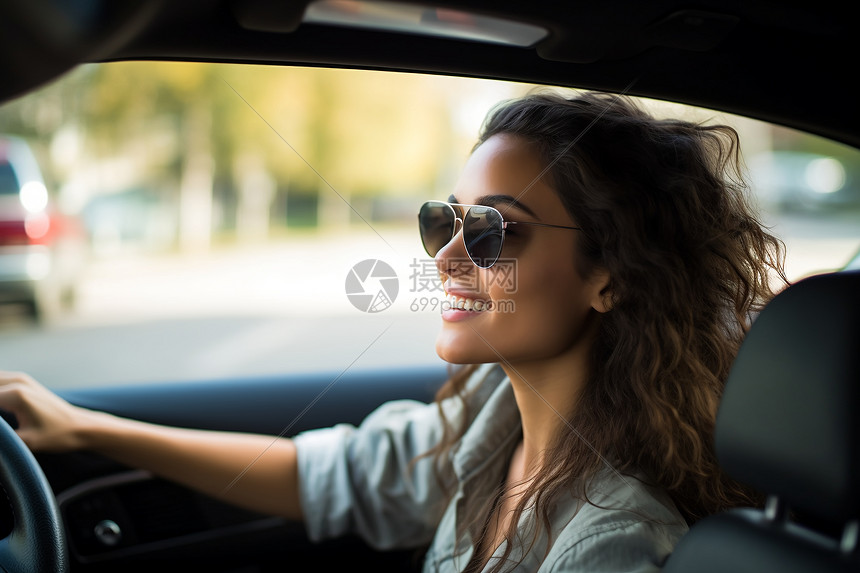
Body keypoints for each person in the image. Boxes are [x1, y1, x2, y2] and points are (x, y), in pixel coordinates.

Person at [0, 90, 786, 572]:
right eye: (442, 220)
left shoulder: (613, 544)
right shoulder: (492, 420)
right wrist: (85, 427)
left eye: (491, 231)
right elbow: (329, 473)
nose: (446, 256)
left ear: (607, 276)